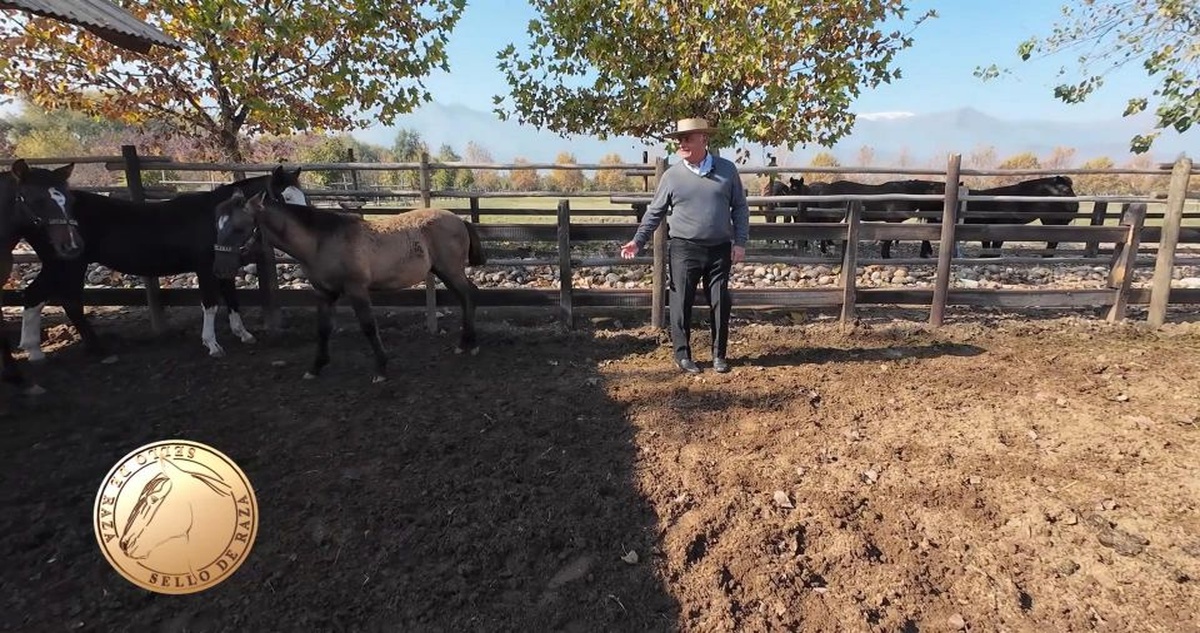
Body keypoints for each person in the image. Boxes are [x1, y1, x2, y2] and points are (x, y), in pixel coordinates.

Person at [620, 117, 749, 374]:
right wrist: (638, 240)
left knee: (720, 301)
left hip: (720, 248)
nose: (682, 143)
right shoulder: (672, 176)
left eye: (688, 138)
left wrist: (741, 242)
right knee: (680, 302)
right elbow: (654, 212)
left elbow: (740, 207)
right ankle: (682, 355)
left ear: (704, 138)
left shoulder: (727, 170)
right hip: (684, 249)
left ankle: (719, 355)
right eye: (679, 139)